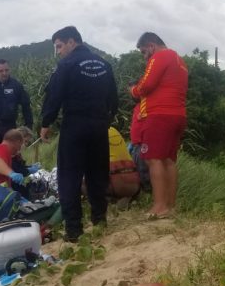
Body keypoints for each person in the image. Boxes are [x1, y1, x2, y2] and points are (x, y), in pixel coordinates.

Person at [40, 26, 118, 241]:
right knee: (97, 174)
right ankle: (99, 219)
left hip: (75, 126)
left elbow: (54, 95)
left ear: (72, 42)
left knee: (69, 177)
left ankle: (74, 230)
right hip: (99, 126)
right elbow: (114, 98)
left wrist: (46, 122)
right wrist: (105, 119)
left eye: (59, 46)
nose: (58, 52)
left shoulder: (66, 65)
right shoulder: (104, 64)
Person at [130, 32, 188, 219]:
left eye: (143, 52)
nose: (144, 57)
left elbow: (146, 85)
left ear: (151, 46)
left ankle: (159, 206)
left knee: (153, 159)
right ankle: (170, 206)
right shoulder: (179, 60)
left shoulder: (159, 56)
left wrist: (133, 90)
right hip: (177, 114)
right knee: (168, 160)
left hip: (159, 115)